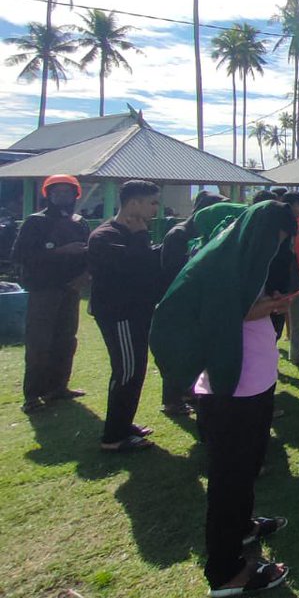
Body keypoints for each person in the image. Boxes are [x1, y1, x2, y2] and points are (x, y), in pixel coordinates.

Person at [150, 200, 299, 598]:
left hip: (254, 381)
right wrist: (260, 310)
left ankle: (244, 525)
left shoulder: (246, 257)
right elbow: (212, 314)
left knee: (248, 463)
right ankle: (226, 571)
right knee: (228, 478)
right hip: (230, 390)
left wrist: (266, 307)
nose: (276, 249)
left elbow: (241, 308)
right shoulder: (220, 261)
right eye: (275, 240)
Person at [87, 179, 165, 452]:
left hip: (137, 313)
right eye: (152, 202)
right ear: (135, 203)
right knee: (127, 371)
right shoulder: (105, 236)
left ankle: (123, 424)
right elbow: (135, 268)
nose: (157, 208)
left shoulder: (134, 232)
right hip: (120, 314)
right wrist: (141, 237)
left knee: (136, 370)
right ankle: (113, 438)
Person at [12, 174, 91, 413]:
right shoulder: (35, 222)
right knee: (39, 342)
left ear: (75, 195)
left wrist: (85, 275)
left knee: (67, 340)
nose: (62, 196)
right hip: (44, 290)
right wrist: (60, 252)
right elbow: (20, 255)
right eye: (57, 192)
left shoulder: (80, 222)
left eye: (67, 192)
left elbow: (89, 252)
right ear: (48, 195)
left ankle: (58, 387)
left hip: (70, 289)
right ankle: (33, 395)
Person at [160, 189, 230, 412]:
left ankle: (189, 392)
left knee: (195, 352)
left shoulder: (207, 232)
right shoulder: (179, 234)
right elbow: (172, 272)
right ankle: (172, 400)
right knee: (179, 352)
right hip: (180, 303)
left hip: (199, 303)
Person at [279, 192, 299, 365]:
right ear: (290, 205)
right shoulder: (278, 227)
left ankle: (296, 356)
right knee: (274, 324)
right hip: (282, 281)